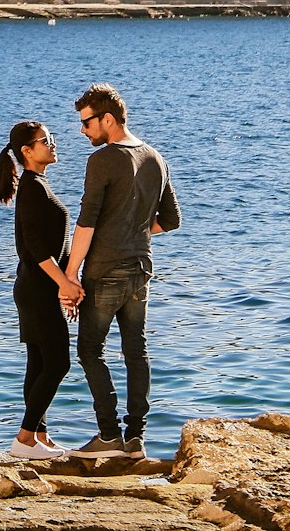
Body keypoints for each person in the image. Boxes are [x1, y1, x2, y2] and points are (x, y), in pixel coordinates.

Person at [62, 83, 180, 460]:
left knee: (89, 350)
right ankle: (136, 440)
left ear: (107, 119)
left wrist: (70, 273)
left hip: (106, 269)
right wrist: (134, 231)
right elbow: (172, 220)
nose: (83, 131)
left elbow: (86, 222)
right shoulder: (155, 157)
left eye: (87, 123)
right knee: (136, 350)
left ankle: (109, 435)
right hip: (141, 267)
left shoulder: (104, 159)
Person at [0, 120, 84, 458]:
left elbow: (48, 247)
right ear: (27, 151)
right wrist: (64, 283)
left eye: (52, 138)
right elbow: (33, 246)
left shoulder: (37, 184)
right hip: (37, 289)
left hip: (38, 288)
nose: (53, 144)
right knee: (58, 363)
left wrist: (64, 283)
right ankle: (24, 437)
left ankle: (38, 437)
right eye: (46, 140)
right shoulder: (32, 187)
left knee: (39, 363)